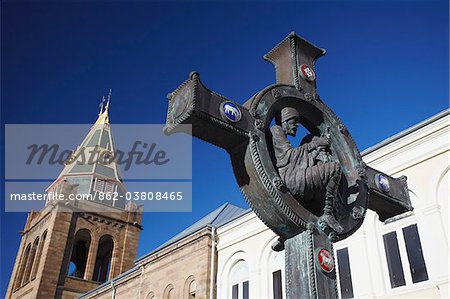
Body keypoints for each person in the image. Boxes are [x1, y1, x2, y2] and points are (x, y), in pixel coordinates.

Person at [270, 107, 343, 233]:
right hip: (291, 177)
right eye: (293, 121)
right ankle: (327, 213)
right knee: (334, 168)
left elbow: (297, 158)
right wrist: (316, 143)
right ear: (284, 122)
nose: (296, 125)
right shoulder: (276, 130)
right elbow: (290, 156)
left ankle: (289, 232)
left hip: (294, 176)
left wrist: (315, 152)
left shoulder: (280, 134)